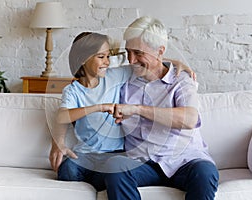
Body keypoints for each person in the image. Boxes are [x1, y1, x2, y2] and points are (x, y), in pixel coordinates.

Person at [49, 31, 194, 191]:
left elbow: (147, 62)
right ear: (83, 59)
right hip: (85, 154)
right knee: (67, 170)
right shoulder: (73, 91)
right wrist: (99, 107)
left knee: (114, 170)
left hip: (116, 153)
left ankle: (98, 182)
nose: (107, 62)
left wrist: (176, 62)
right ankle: (95, 182)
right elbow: (62, 116)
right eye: (101, 57)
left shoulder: (115, 75)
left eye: (108, 56)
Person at [102, 16, 219, 200]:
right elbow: (87, 76)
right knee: (114, 166)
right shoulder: (124, 78)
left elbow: (188, 119)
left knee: (205, 173)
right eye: (128, 52)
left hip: (185, 161)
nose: (131, 60)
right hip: (142, 163)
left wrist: (137, 109)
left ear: (160, 51)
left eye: (138, 53)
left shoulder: (181, 81)